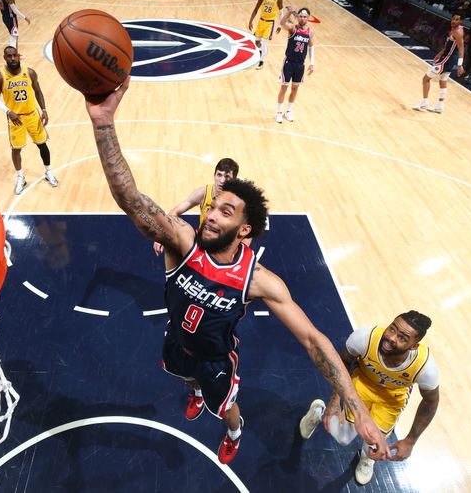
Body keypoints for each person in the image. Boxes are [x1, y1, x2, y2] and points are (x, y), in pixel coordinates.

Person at [83, 77, 389, 465]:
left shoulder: (257, 279)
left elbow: (314, 341)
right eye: (212, 207)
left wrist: (357, 408)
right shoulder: (182, 243)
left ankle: (234, 431)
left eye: (224, 212)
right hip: (177, 341)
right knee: (184, 375)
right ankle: (193, 391)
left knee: (225, 406)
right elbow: (131, 199)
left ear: (245, 229)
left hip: (216, 360)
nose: (210, 215)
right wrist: (103, 122)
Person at [298, 311, 440, 485]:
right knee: (342, 438)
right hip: (361, 385)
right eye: (392, 329)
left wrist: (410, 440)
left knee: (375, 444)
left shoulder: (425, 368)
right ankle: (319, 412)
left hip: (391, 399)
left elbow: (431, 401)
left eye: (402, 338)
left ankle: (366, 458)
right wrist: (334, 402)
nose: (392, 338)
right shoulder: (364, 338)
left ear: (413, 346)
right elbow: (342, 363)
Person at [0, 46, 58, 195]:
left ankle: (48, 173)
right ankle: (20, 177)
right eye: (9, 56)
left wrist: (44, 110)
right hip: (16, 119)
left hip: (33, 115)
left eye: (15, 55)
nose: (13, 59)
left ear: (19, 56)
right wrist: (8, 111)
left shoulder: (30, 72)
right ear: (4, 58)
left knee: (42, 145)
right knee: (16, 149)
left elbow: (38, 91)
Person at [152, 158, 240, 256]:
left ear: (234, 180)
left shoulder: (239, 201)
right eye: (219, 175)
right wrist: (162, 233)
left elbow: (247, 230)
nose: (222, 180)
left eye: (227, 176)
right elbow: (176, 211)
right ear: (214, 175)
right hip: (204, 243)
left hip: (224, 248)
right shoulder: (203, 193)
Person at [412, 13, 464, 113]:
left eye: (457, 20)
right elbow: (449, 45)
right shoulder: (457, 29)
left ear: (461, 21)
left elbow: (461, 48)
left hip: (447, 59)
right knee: (443, 81)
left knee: (426, 78)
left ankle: (424, 102)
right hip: (448, 58)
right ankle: (440, 106)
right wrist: (440, 53)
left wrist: (460, 65)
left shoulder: (458, 32)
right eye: (453, 19)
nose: (454, 21)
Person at [275, 5, 314, 124]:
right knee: (284, 87)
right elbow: (282, 23)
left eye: (305, 17)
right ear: (298, 17)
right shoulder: (293, 28)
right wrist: (289, 13)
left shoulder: (310, 32)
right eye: (301, 16)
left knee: (295, 88)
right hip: (289, 63)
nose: (302, 18)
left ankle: (288, 111)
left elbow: (311, 47)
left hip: (300, 65)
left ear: (308, 18)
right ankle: (278, 112)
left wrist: (312, 63)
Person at [248, 0, 283, 70]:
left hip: (270, 23)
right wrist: (250, 21)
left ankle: (261, 62)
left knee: (264, 43)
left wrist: (280, 25)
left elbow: (281, 13)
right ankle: (262, 52)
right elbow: (256, 9)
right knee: (257, 42)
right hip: (261, 21)